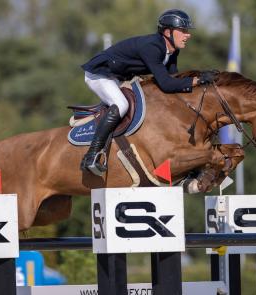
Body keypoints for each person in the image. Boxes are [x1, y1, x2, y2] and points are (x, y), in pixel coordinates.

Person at [80, 9, 213, 176]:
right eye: (184, 31)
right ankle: (91, 155)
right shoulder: (152, 47)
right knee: (121, 105)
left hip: (120, 76)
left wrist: (199, 80)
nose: (188, 35)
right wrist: (198, 81)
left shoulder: (172, 51)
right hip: (100, 74)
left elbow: (174, 79)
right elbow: (166, 84)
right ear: (167, 32)